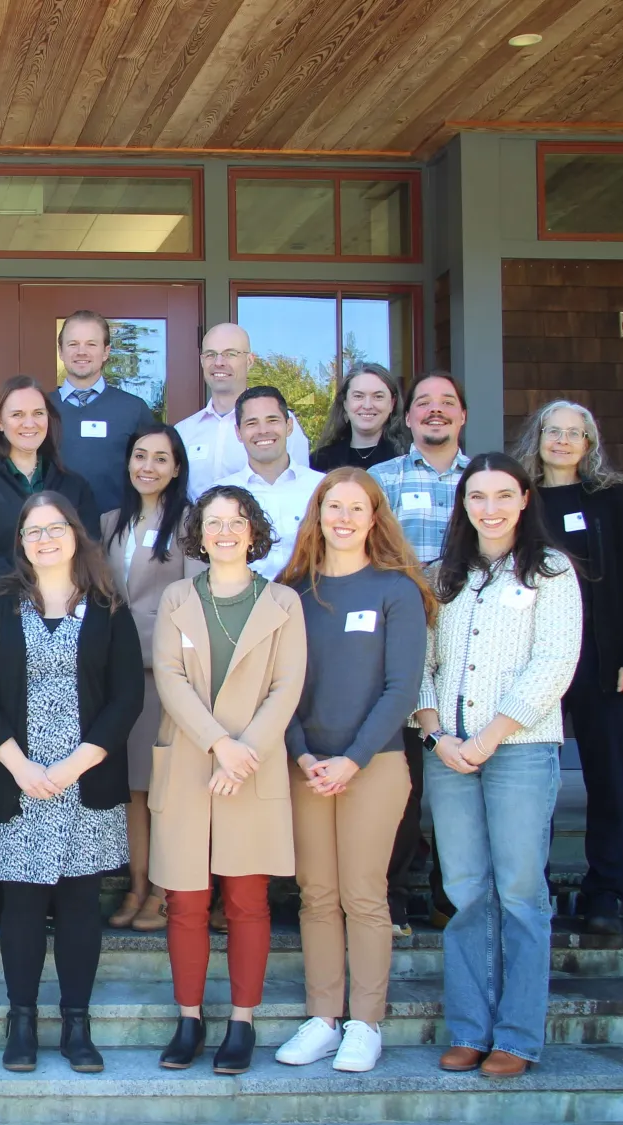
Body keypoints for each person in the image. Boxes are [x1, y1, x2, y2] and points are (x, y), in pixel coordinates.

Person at [0, 491, 143, 1073]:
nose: (44, 539)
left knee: (78, 902)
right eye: (33, 531)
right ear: (20, 542)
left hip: (85, 776)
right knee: (21, 902)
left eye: (55, 528)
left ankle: (76, 1024)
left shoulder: (108, 603)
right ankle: (21, 1023)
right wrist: (18, 764)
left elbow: (127, 696)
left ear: (76, 533)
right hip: (18, 776)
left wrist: (74, 765)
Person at [419, 454, 580, 1079]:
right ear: (463, 504)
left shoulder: (550, 572)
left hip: (518, 748)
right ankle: (468, 1027)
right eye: (477, 496)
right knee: (465, 893)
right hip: (448, 754)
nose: (490, 507)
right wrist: (437, 736)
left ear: (524, 500)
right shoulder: (443, 576)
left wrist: (489, 735)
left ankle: (516, 1036)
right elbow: (422, 665)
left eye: (502, 495)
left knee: (519, 892)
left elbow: (554, 664)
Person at [273, 469, 434, 1074]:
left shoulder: (396, 590)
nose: (343, 518)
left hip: (375, 763)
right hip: (307, 766)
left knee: (364, 896)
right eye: (332, 506)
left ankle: (365, 1024)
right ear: (316, 514)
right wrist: (302, 754)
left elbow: (402, 688)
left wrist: (353, 758)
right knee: (317, 896)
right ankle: (323, 1016)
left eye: (356, 508)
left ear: (374, 517)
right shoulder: (292, 590)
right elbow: (277, 685)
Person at [150, 485, 306, 1075]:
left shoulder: (284, 603)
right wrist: (218, 743)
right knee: (186, 901)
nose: (224, 531)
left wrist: (243, 752)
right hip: (192, 763)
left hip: (253, 767)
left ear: (253, 529)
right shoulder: (175, 599)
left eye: (235, 521)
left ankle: (241, 1021)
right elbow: (169, 676)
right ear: (199, 533)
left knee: (246, 900)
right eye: (213, 522)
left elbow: (286, 687)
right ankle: (188, 1017)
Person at [517, 401, 623, 937]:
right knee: (534, 782)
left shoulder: (615, 499)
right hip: (535, 661)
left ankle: (606, 893)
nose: (562, 440)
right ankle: (536, 890)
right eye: (553, 431)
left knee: (606, 780)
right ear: (539, 437)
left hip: (604, 660)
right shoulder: (522, 499)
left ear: (589, 443)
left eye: (575, 433)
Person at [370, 371, 472, 937]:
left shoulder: (484, 480)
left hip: (469, 647)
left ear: (462, 416)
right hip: (400, 642)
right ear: (405, 419)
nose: (435, 412)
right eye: (423, 404)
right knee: (403, 781)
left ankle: (454, 896)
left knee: (461, 777)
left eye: (447, 404)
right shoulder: (381, 480)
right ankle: (394, 893)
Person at [99, 425, 199, 932]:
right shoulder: (110, 522)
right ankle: (137, 887)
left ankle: (164, 891)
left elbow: (198, 601)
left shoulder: (189, 524)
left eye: (161, 458)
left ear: (177, 468)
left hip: (167, 674)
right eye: (140, 456)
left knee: (165, 788)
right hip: (118, 673)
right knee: (132, 790)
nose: (148, 466)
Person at [0, 375, 102, 599]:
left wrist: (56, 593)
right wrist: (31, 591)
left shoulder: (75, 485)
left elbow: (88, 548)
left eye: (38, 413)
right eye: (17, 415)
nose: (29, 423)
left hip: (64, 607)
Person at [175, 322, 311, 497]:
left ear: (250, 361)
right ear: (202, 361)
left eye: (230, 354)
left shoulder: (279, 427)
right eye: (210, 354)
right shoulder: (184, 431)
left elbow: (300, 489)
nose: (219, 363)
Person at [54, 309, 162, 510]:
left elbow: (155, 472)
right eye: (73, 344)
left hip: (117, 532)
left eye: (91, 344)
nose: (81, 352)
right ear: (61, 351)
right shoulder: (40, 410)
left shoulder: (134, 410)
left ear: (106, 351)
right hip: (54, 531)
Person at [216, 384, 324, 582]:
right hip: (246, 607)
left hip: (312, 603)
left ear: (289, 426)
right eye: (252, 423)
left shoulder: (322, 488)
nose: (263, 431)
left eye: (272, 420)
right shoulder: (220, 496)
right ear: (238, 433)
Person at [310, 362, 406, 473]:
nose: (367, 405)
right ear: (345, 402)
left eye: (378, 396)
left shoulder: (407, 458)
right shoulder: (319, 461)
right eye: (358, 396)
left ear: (392, 404)